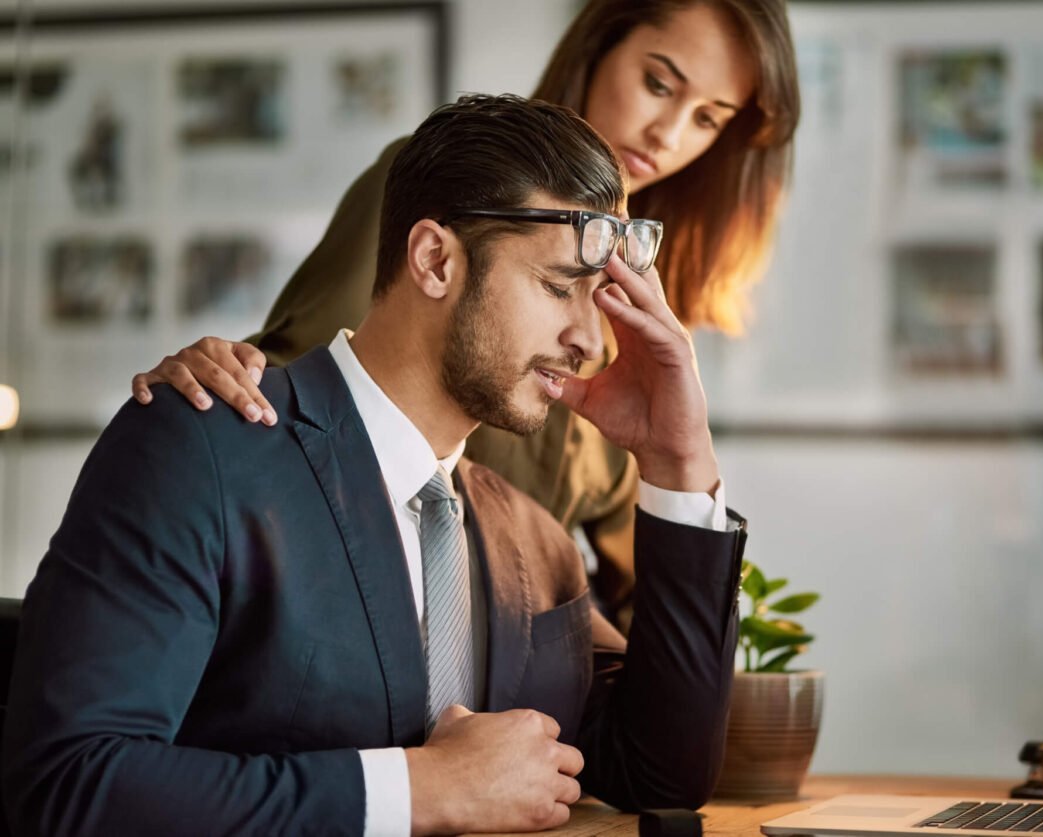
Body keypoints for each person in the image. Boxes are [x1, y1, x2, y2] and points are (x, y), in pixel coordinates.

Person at [4, 94, 746, 837]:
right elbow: (70, 783)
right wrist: (416, 789)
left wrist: (680, 461)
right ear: (434, 260)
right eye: (558, 287)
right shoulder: (198, 449)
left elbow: (662, 771)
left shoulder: (539, 542)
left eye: (600, 299)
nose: (591, 339)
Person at [129, 0, 799, 626]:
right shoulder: (450, 199)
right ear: (599, 47)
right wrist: (215, 384)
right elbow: (292, 382)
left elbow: (635, 571)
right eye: (659, 84)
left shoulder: (639, 294)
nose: (670, 133)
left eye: (709, 118)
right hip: (358, 638)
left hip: (520, 676)